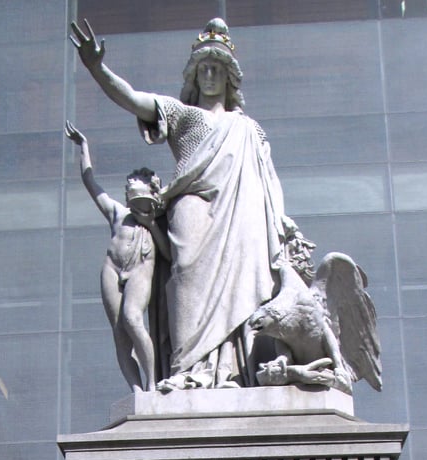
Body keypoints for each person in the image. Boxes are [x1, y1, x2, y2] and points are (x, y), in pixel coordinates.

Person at [69, 17, 287, 389]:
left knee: (245, 286)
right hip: (192, 211)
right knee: (183, 274)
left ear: (229, 76)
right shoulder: (182, 114)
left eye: (217, 68)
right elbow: (133, 98)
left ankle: (229, 372)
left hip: (242, 217)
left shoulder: (248, 129)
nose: (210, 75)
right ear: (193, 74)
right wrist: (96, 67)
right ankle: (188, 370)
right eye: (203, 67)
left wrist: (281, 224)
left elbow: (269, 182)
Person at [65, 121, 170, 393]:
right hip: (112, 269)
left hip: (140, 270)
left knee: (133, 319)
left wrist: (150, 223)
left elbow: (169, 254)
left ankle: (151, 385)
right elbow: (90, 182)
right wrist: (84, 147)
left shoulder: (158, 221)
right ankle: (135, 389)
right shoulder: (117, 213)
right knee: (119, 333)